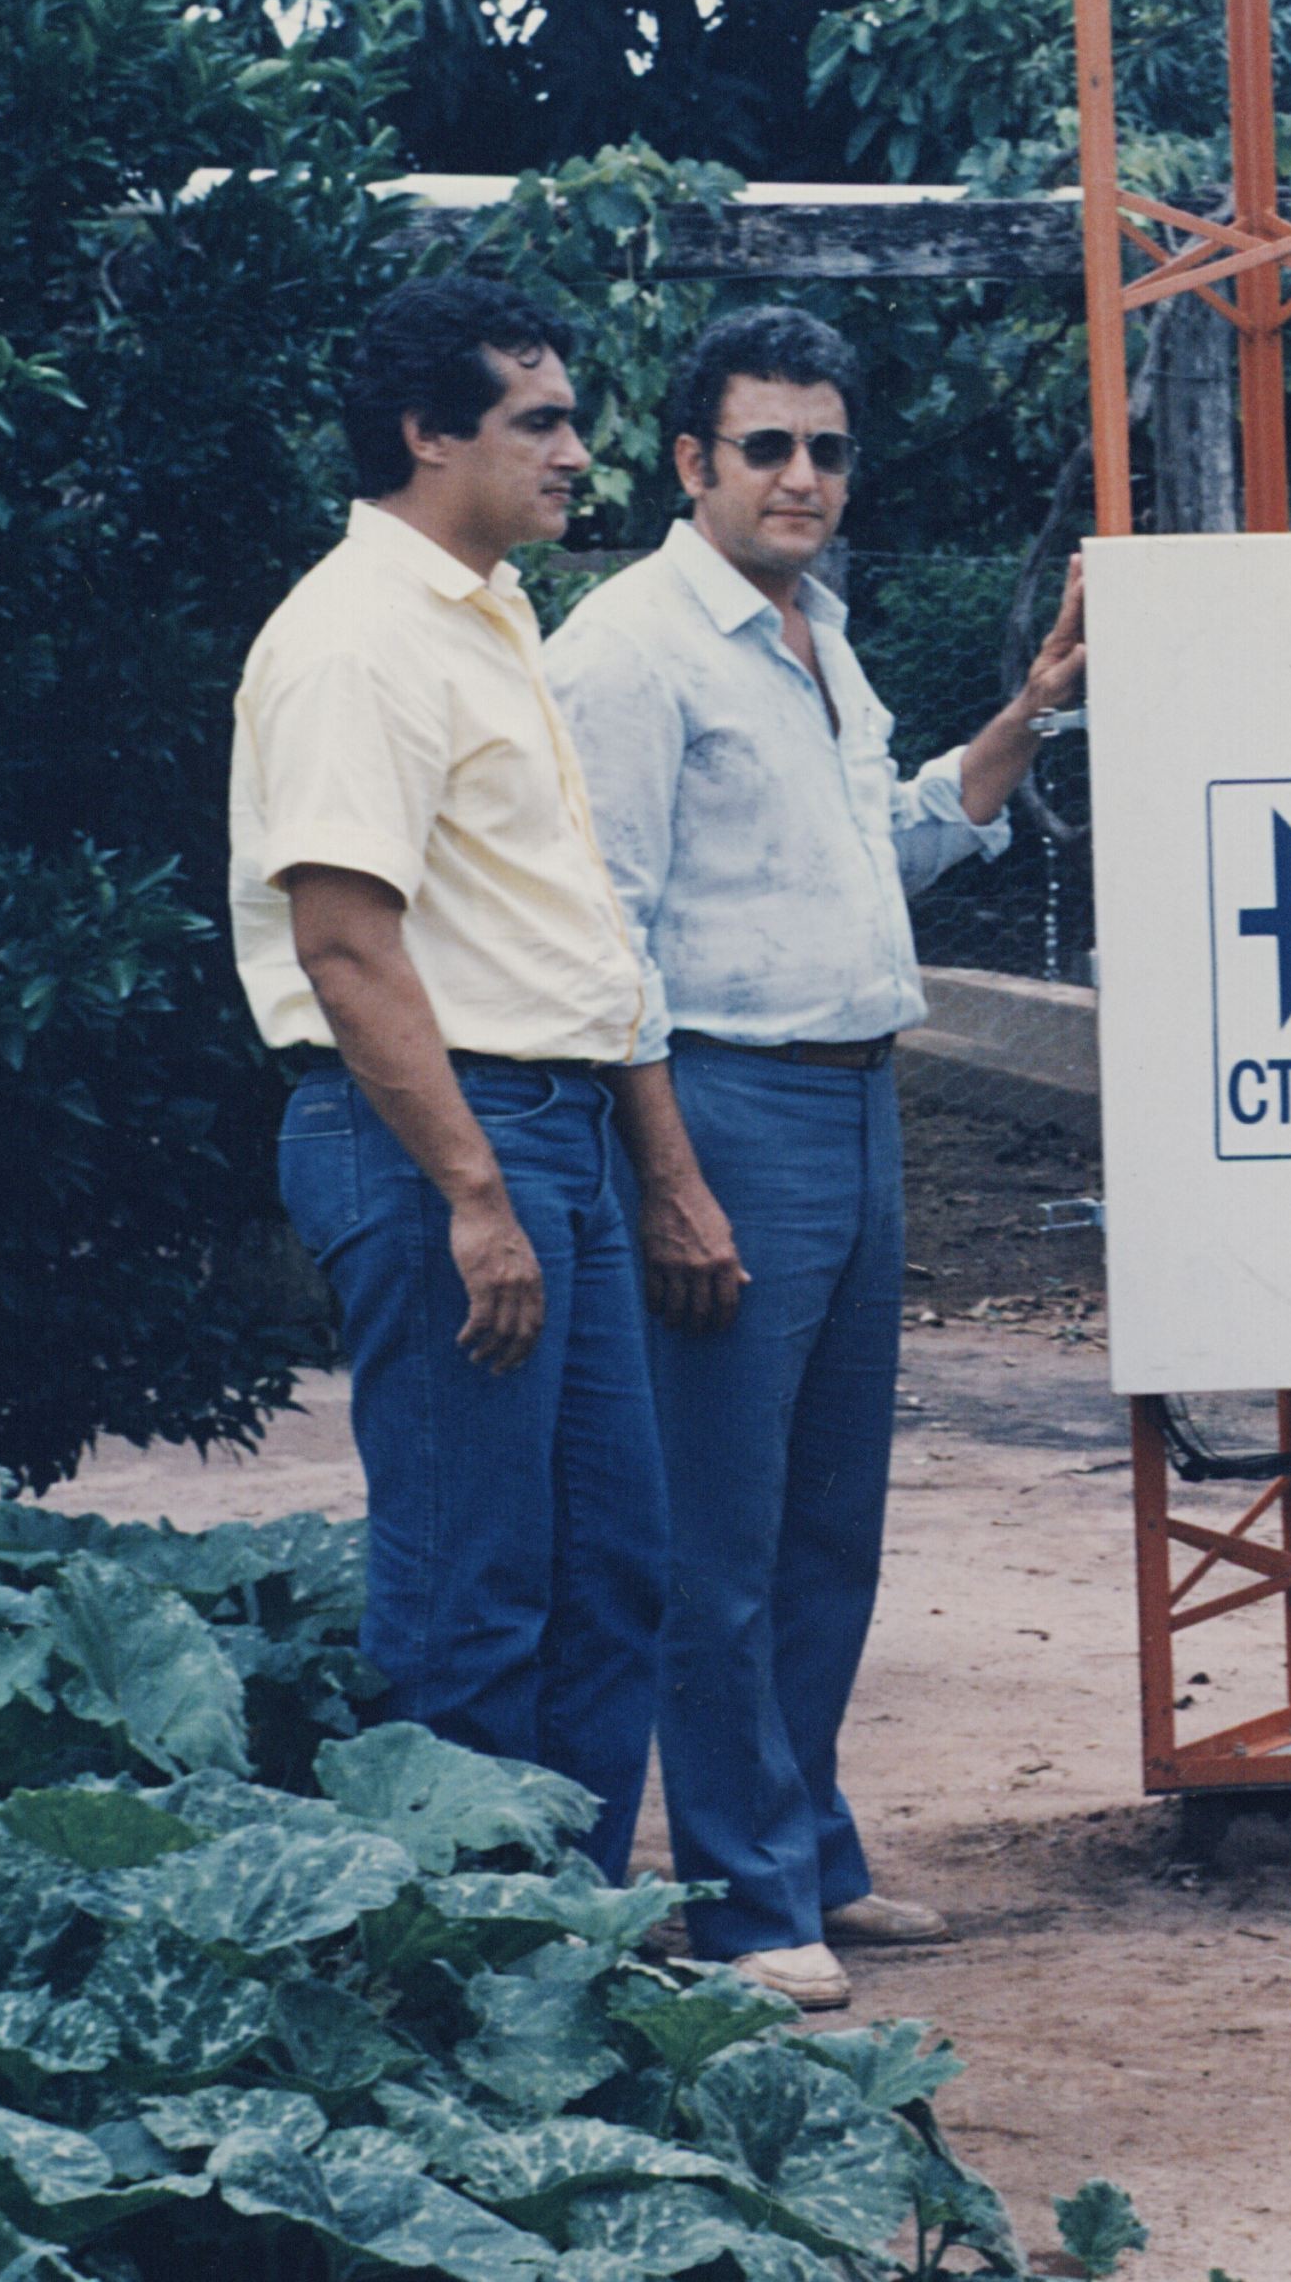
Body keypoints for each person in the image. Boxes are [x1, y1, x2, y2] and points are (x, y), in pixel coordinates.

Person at [545, 307, 1089, 2012]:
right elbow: (606, 938)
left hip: (857, 1104)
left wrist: (1035, 709)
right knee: (713, 1535)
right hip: (720, 1106)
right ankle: (739, 1898)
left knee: (825, 1526)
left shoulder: (815, 633)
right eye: (765, 446)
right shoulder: (629, 651)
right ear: (690, 461)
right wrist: (669, 1177)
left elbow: (889, 847)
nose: (801, 476)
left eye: (827, 448)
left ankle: (811, 1850)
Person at [228, 276, 665, 1874]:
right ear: (428, 434)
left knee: (613, 1569)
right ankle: (459, 1966)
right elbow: (345, 946)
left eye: (571, 420)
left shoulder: (483, 615)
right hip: (441, 1141)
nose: (576, 452)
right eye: (539, 422)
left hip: (550, 1131)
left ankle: (573, 1941)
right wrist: (474, 1192)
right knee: (470, 1587)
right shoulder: (354, 640)